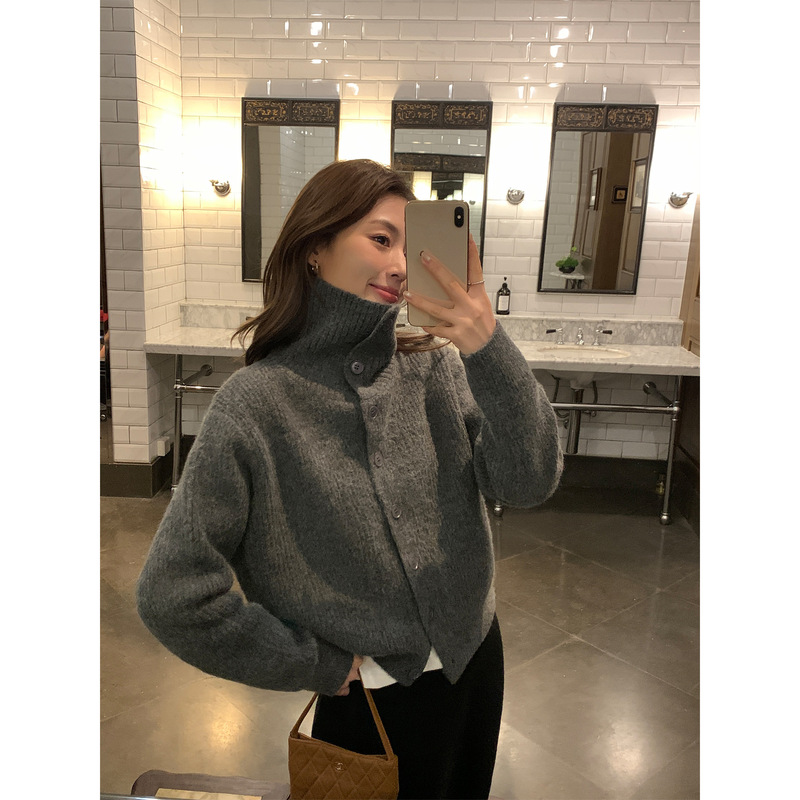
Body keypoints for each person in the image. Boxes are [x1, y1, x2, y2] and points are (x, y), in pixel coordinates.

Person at [136, 159, 563, 799]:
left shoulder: (438, 368)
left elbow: (529, 481)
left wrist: (489, 349)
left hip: (476, 663)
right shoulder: (255, 406)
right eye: (380, 239)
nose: (399, 265)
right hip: (368, 702)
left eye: (407, 246)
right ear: (315, 247)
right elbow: (172, 594)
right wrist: (311, 662)